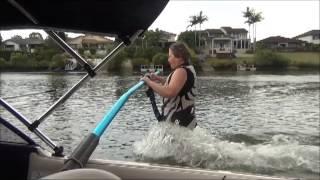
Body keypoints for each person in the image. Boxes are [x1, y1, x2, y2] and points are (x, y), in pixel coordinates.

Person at [142, 42, 197, 129]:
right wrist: (158, 79)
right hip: (185, 121)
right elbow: (178, 87)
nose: (168, 60)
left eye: (170, 56)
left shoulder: (181, 71)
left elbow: (169, 92)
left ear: (180, 56)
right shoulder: (188, 69)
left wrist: (149, 82)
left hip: (178, 123)